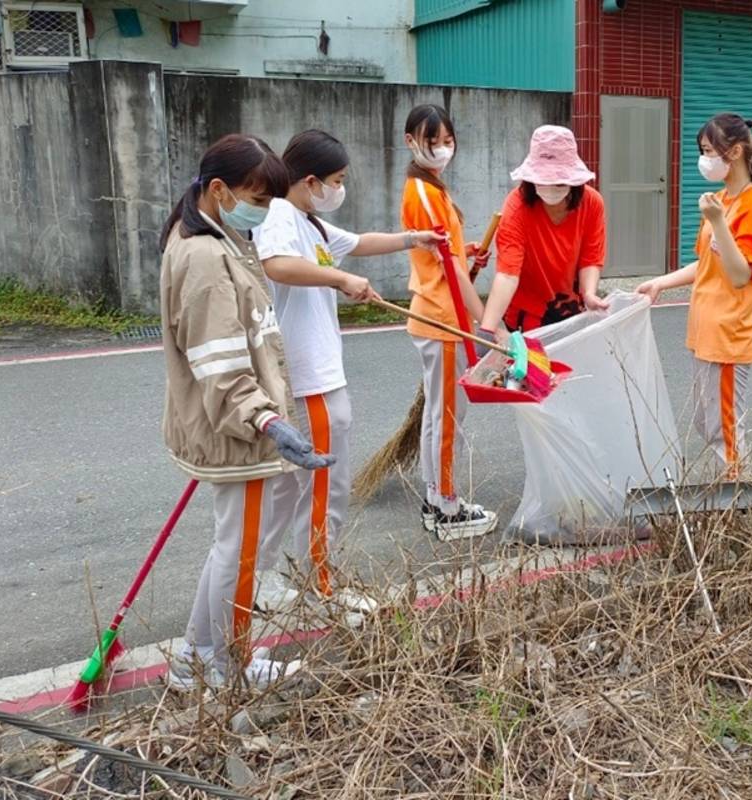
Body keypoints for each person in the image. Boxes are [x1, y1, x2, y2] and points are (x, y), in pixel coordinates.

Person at [158, 134, 334, 688]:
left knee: (231, 544)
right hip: (238, 428)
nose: (262, 210)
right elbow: (221, 363)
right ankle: (231, 664)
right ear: (217, 189)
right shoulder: (206, 258)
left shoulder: (214, 236)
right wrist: (268, 420)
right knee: (240, 553)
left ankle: (196, 655)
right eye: (256, 198)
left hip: (230, 423)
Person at [251, 129, 442, 611]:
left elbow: (356, 243)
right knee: (322, 487)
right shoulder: (279, 215)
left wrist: (412, 239)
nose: (340, 188)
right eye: (336, 180)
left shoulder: (310, 222)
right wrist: (341, 279)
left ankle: (264, 578)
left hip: (320, 376)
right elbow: (276, 266)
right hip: (307, 378)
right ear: (311, 180)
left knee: (299, 487)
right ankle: (321, 585)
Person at [636, 113, 752, 478]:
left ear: (736, 152)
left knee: (725, 431)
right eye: (702, 151)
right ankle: (733, 494)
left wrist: (717, 223)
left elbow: (741, 275)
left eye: (709, 151)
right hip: (706, 333)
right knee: (708, 424)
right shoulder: (717, 199)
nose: (704, 159)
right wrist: (660, 283)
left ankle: (741, 504)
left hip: (731, 335)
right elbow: (705, 264)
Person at [401, 104, 499, 540]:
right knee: (446, 420)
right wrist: (488, 322)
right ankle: (446, 508)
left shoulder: (433, 189)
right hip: (443, 320)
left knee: (439, 415)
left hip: (441, 315)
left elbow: (449, 256)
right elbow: (449, 270)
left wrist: (469, 248)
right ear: (410, 142)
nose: (442, 149)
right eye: (432, 141)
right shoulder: (423, 194)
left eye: (448, 141)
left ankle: (435, 498)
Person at [479, 125, 609, 337]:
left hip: (570, 309)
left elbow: (590, 258)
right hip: (526, 314)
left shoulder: (592, 203)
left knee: (570, 368)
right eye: (543, 180)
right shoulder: (516, 205)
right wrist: (488, 329)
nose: (550, 187)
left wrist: (589, 294)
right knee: (528, 368)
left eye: (558, 181)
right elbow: (508, 274)